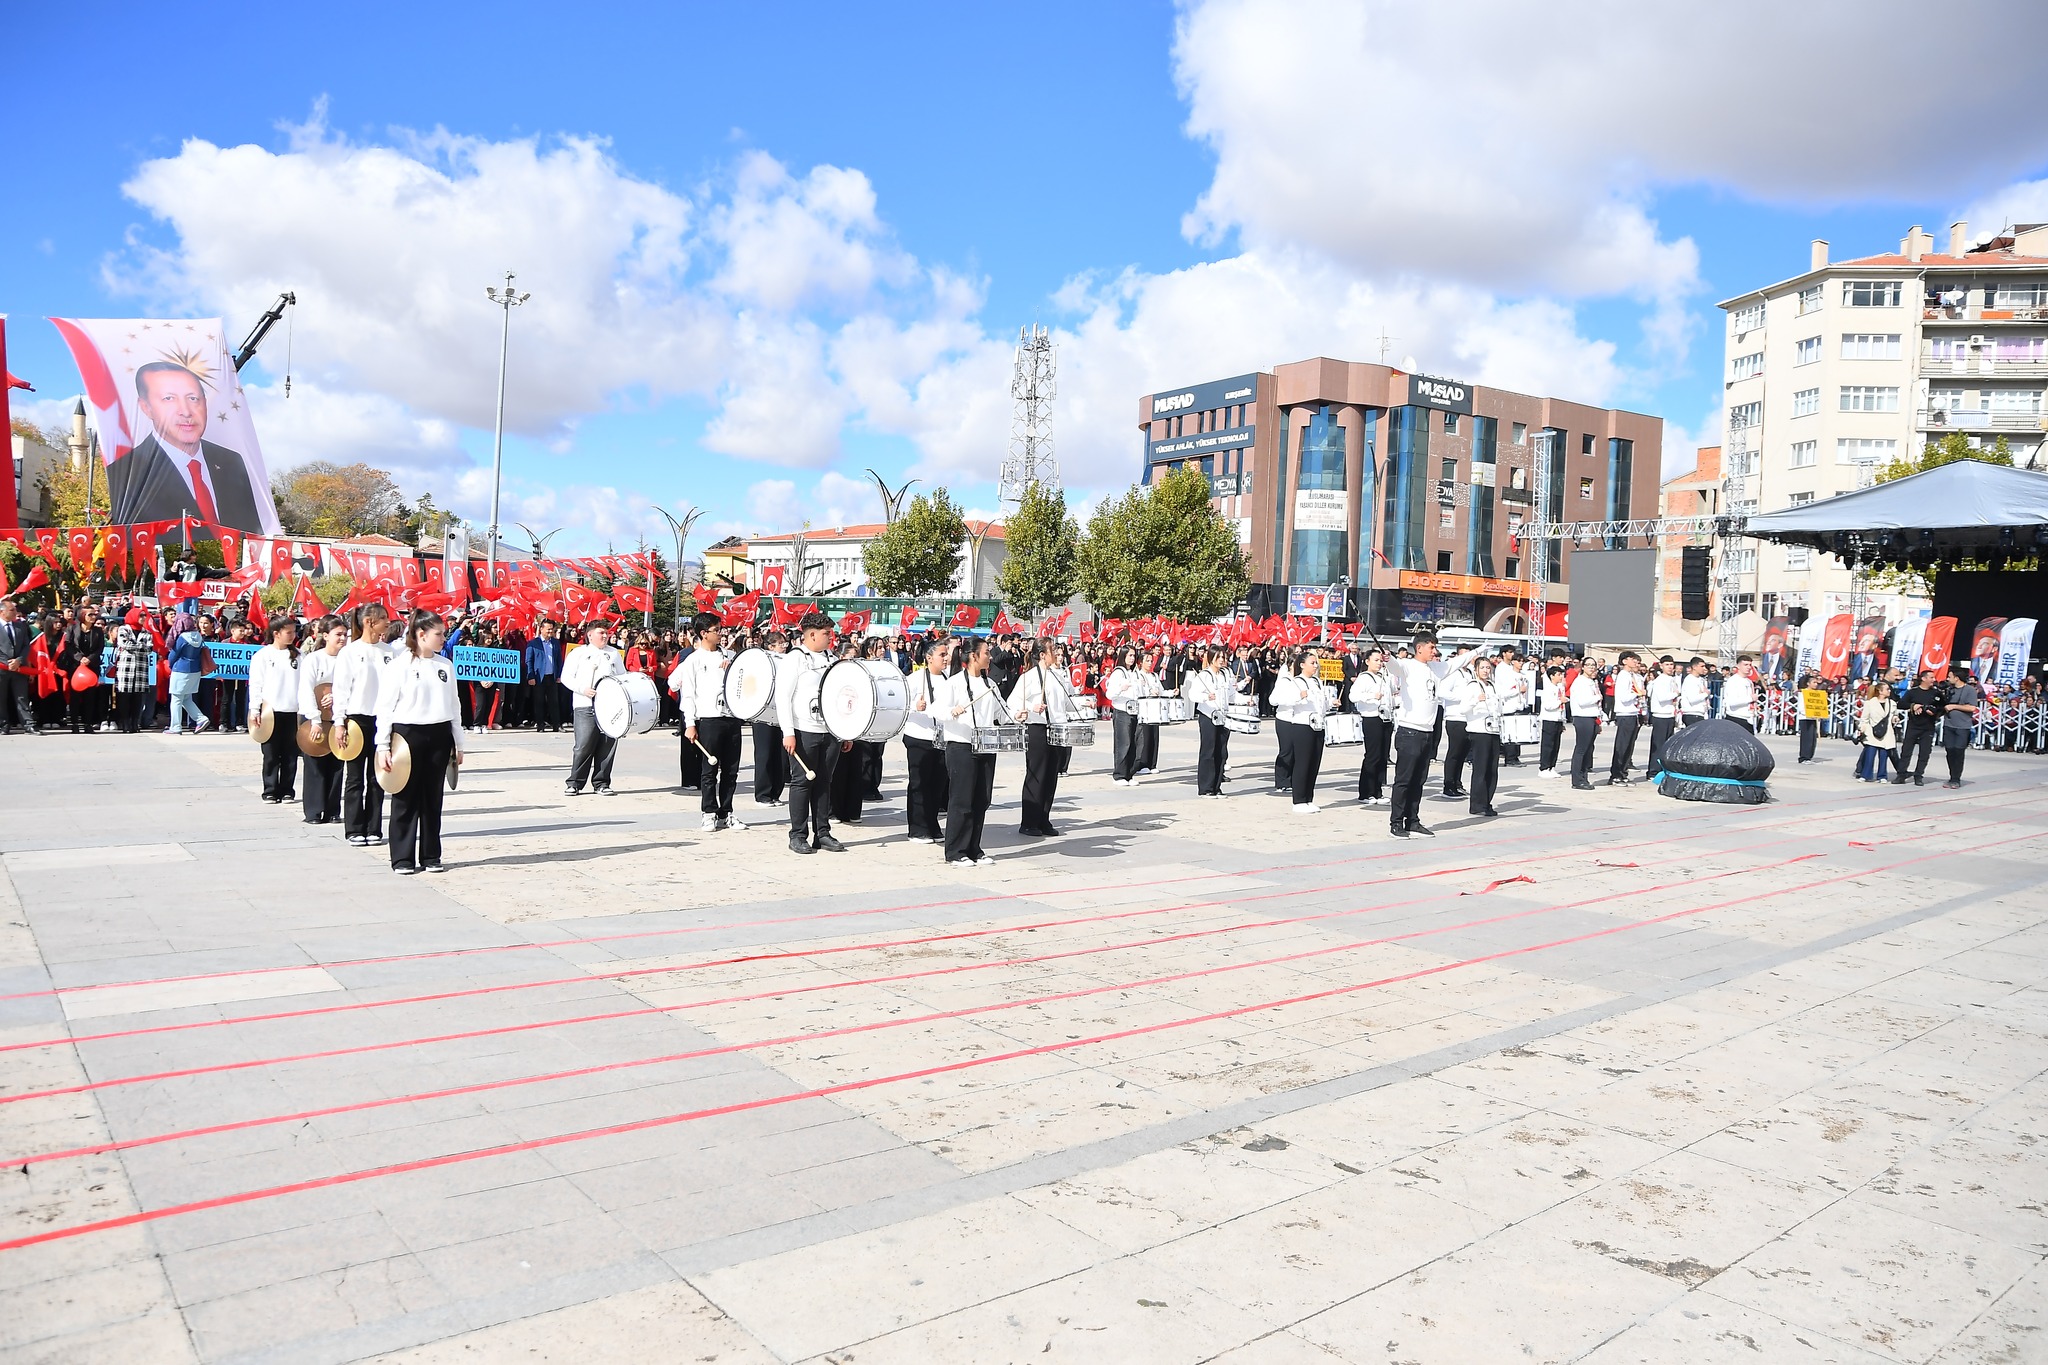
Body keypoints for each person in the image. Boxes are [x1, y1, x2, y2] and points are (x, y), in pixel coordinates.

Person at [106, 361, 271, 532]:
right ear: (146, 407)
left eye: (193, 399)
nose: (185, 411)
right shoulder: (127, 471)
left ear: (205, 403)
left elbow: (251, 530)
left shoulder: (231, 461)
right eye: (168, 399)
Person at [377, 612, 465, 874]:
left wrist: (458, 743)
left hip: (439, 734)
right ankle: (402, 858)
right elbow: (385, 708)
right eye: (438, 633)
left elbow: (454, 706)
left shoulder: (445, 665)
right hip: (407, 734)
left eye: (443, 633)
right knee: (405, 797)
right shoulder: (399, 665)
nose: (442, 638)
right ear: (421, 634)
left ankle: (430, 855)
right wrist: (382, 745)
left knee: (432, 797)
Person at [1385, 634, 1480, 836]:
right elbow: (1394, 666)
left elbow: (1456, 662)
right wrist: (1388, 658)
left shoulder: (1435, 668)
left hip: (1427, 733)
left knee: (1419, 780)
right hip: (1410, 731)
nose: (1434, 651)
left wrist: (1478, 650)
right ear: (1419, 648)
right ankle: (1396, 823)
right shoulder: (1407, 665)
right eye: (1431, 647)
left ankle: (1413, 820)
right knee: (1404, 780)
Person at [776, 613, 846, 855]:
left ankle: (822, 833)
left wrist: (845, 731)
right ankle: (797, 834)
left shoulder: (832, 659)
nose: (830, 638)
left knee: (825, 782)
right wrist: (788, 732)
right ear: (812, 634)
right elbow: (783, 697)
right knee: (802, 782)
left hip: (829, 730)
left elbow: (839, 695)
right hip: (803, 730)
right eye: (827, 633)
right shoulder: (794, 659)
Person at [674, 612, 745, 833]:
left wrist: (732, 670)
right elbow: (687, 693)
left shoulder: (730, 656)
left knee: (731, 770)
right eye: (716, 630)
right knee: (709, 769)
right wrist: (690, 723)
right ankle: (708, 812)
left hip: (731, 717)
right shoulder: (693, 660)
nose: (721, 634)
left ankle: (726, 812)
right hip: (708, 719)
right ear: (704, 634)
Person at [334, 604, 398, 846]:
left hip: (381, 720)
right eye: (384, 619)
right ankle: (353, 828)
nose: (388, 623)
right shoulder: (349, 652)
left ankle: (374, 827)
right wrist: (339, 722)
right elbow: (341, 689)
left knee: (377, 776)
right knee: (354, 778)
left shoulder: (390, 652)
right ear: (370, 622)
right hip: (356, 718)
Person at [939, 635, 1002, 865]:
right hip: (961, 746)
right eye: (986, 652)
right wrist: (952, 711)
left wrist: (1017, 715)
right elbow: (937, 710)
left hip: (985, 746)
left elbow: (1001, 714)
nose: (990, 656)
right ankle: (956, 851)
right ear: (974, 656)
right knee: (961, 800)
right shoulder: (954, 683)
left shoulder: (990, 684)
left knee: (981, 799)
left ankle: (975, 848)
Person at [1008, 639, 1074, 837]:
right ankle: (1029, 821)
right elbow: (1012, 704)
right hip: (1037, 728)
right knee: (1036, 774)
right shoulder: (1028, 678)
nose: (1056, 652)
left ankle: (1044, 818)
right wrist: (1030, 708)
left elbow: (1065, 703)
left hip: (1055, 728)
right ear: (1043, 655)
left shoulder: (1057, 676)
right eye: (1051, 649)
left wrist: (1083, 703)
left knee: (1051, 775)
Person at [562, 622, 627, 796]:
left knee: (607, 745)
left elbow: (622, 677)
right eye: (601, 633)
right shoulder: (579, 653)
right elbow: (566, 677)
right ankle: (575, 782)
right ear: (590, 635)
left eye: (606, 633)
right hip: (585, 705)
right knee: (583, 745)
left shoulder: (613, 654)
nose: (605, 636)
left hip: (609, 707)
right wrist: (582, 689)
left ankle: (601, 782)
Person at [297, 615, 349, 824]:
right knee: (315, 763)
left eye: (345, 634)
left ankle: (332, 809)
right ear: (325, 635)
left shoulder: (348, 659)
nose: (343, 639)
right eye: (338, 634)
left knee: (337, 764)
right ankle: (313, 810)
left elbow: (352, 686)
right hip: (314, 717)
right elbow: (305, 690)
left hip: (338, 718)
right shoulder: (313, 659)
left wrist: (336, 696)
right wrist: (314, 718)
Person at [902, 636, 952, 844]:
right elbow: (900, 704)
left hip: (941, 738)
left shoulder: (948, 680)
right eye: (942, 654)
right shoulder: (915, 679)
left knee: (937, 784)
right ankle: (917, 828)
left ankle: (932, 825)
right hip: (919, 736)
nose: (946, 658)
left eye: (946, 654)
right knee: (919, 783)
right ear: (929, 657)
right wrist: (915, 706)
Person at [1270, 647, 1331, 814]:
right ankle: (1298, 800)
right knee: (1302, 763)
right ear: (1302, 665)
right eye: (1312, 663)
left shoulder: (1317, 682)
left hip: (1318, 725)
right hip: (1302, 725)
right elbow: (1279, 700)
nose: (1316, 666)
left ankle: (1308, 798)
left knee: (1314, 763)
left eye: (1316, 663)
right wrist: (1299, 696)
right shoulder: (1294, 681)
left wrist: (1330, 703)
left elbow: (1320, 704)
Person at [249, 618, 301, 802]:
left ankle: (287, 789)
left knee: (290, 754)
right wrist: (255, 710)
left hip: (292, 711)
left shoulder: (298, 656)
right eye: (288, 632)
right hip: (270, 712)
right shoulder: (262, 656)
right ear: (276, 633)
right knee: (271, 754)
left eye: (294, 632)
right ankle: (270, 789)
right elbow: (255, 685)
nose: (292, 635)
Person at [1185, 647, 1240, 798]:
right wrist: (1205, 697)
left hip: (1223, 717)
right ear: (1210, 658)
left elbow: (1232, 695)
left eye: (1223, 657)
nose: (1222, 660)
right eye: (1218, 657)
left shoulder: (1224, 675)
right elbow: (1192, 694)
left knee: (1221, 752)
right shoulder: (1204, 675)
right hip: (1208, 716)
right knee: (1208, 752)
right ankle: (1206, 788)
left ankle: (1217, 786)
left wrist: (1245, 699)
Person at [752, 631, 791, 807]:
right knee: (765, 754)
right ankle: (763, 794)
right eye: (780, 643)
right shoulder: (762, 661)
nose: (784, 646)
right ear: (770, 646)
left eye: (785, 643)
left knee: (781, 756)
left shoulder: (789, 661)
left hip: (782, 714)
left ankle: (776, 791)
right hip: (763, 714)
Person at [1461, 657, 1503, 817]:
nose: (1486, 670)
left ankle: (1487, 801)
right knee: (1481, 768)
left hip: (1493, 730)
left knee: (1492, 769)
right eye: (1483, 667)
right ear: (1476, 669)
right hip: (1479, 731)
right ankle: (1477, 804)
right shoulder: (1472, 686)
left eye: (1488, 667)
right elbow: (1463, 708)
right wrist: (1475, 701)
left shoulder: (1492, 686)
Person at [1352, 648, 1390, 805]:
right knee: (1372, 756)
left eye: (1380, 660)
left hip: (1385, 718)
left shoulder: (1383, 677)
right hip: (1371, 718)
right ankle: (1365, 792)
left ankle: (1377, 791)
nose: (1379, 663)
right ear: (1367, 661)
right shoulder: (1364, 678)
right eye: (1376, 660)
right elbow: (1353, 696)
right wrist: (1371, 697)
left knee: (1382, 756)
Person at [164, 612, 210, 734]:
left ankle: (175, 726)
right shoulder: (198, 636)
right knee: (186, 698)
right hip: (195, 670)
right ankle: (201, 718)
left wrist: (170, 665)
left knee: (176, 699)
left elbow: (173, 655)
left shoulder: (182, 637)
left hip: (180, 670)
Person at [1892, 669, 1940, 786]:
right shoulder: (1913, 692)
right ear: (1923, 678)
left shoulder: (1936, 693)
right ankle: (1901, 775)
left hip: (1928, 726)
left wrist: (1932, 711)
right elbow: (1901, 704)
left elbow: (1942, 707)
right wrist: (1913, 706)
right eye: (1931, 677)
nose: (1933, 680)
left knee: (1924, 752)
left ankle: (1919, 776)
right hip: (1913, 726)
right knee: (1906, 751)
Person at [1105, 646, 1144, 785]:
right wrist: (1121, 688)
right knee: (1123, 743)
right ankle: (1119, 774)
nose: (1132, 658)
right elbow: (1109, 694)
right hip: (1122, 711)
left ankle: (1129, 773)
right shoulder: (1118, 673)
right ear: (1123, 656)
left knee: (1134, 743)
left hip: (1134, 711)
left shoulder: (1135, 673)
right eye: (1129, 656)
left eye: (1134, 656)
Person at [0, 601, 40, 734]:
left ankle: (28, 724)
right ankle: (4, 725)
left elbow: (26, 646)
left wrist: (18, 660)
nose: (15, 613)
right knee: (2, 697)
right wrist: (7, 662)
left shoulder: (21, 626)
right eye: (12, 610)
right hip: (2, 669)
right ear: (2, 612)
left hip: (19, 668)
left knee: (22, 697)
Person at [1607, 651, 1646, 785]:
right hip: (1625, 714)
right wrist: (1638, 693)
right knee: (1622, 745)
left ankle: (1623, 773)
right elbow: (1623, 697)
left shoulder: (1632, 676)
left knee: (1629, 746)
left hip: (1633, 713)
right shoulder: (1623, 676)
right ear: (1624, 661)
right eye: (1632, 659)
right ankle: (1616, 774)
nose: (1635, 662)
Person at [111, 608, 153, 734]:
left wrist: (136, 647)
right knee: (124, 697)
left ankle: (135, 723)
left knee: (138, 698)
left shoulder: (147, 632)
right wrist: (141, 646)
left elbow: (149, 649)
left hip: (140, 669)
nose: (143, 618)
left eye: (144, 615)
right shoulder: (124, 629)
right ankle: (125, 723)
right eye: (141, 615)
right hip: (126, 669)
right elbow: (124, 644)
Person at [1568, 657, 1605, 791]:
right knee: (1581, 749)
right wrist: (1597, 697)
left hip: (1592, 717)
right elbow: (1583, 701)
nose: (1592, 668)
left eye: (1593, 665)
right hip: (1582, 717)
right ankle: (1577, 779)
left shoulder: (1592, 682)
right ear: (1582, 667)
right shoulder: (1580, 682)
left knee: (1588, 749)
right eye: (1588, 665)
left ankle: (1584, 776)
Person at [1939, 665, 1979, 788]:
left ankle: (1956, 778)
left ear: (1957, 678)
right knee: (1950, 751)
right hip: (1949, 724)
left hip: (1963, 726)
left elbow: (1972, 707)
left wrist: (1954, 706)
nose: (1948, 678)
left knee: (1959, 751)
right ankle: (1952, 776)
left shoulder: (1969, 690)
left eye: (1950, 676)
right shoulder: (1949, 690)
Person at [523, 621, 565, 732]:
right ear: (541, 629)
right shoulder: (533, 643)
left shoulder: (555, 643)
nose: (550, 631)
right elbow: (529, 661)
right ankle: (540, 725)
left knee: (554, 702)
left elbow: (559, 660)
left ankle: (557, 725)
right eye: (548, 629)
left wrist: (559, 675)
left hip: (552, 676)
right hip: (538, 677)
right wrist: (530, 676)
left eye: (552, 629)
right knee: (539, 702)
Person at [1644, 656, 1680, 781]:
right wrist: (1676, 693)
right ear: (1661, 666)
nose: (1670, 667)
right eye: (1667, 664)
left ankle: (1662, 769)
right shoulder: (1661, 680)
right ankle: (1653, 771)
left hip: (1669, 714)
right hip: (1660, 715)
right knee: (1658, 745)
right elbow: (1662, 697)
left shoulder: (1672, 679)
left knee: (1667, 744)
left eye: (1671, 664)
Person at [1855, 681, 1897, 782]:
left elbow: (1894, 715)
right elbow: (1864, 719)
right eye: (1887, 689)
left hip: (1886, 733)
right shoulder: (1870, 703)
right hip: (1872, 732)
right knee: (1869, 755)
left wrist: (1895, 718)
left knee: (1883, 756)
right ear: (1880, 691)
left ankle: (1882, 776)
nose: (1889, 691)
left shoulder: (1892, 703)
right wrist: (1861, 730)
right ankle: (1865, 775)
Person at [1536, 664, 1566, 778]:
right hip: (1549, 719)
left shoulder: (1560, 688)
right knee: (1548, 744)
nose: (1561, 677)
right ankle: (1543, 767)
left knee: (1556, 745)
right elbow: (1548, 706)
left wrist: (1563, 721)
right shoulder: (1548, 689)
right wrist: (1560, 702)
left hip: (1558, 719)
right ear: (1552, 676)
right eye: (1558, 674)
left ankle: (1551, 767)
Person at [1720, 657, 1759, 732]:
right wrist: (1750, 698)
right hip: (1736, 718)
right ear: (1738, 666)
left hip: (1748, 718)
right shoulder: (1733, 681)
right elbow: (1732, 702)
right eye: (1745, 664)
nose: (1748, 667)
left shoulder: (1748, 681)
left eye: (1750, 665)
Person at [1678, 657, 1711, 727]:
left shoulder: (1701, 680)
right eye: (1702, 666)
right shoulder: (1690, 680)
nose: (1704, 668)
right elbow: (1692, 699)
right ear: (1694, 667)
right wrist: (1705, 694)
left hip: (1700, 713)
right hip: (1692, 714)